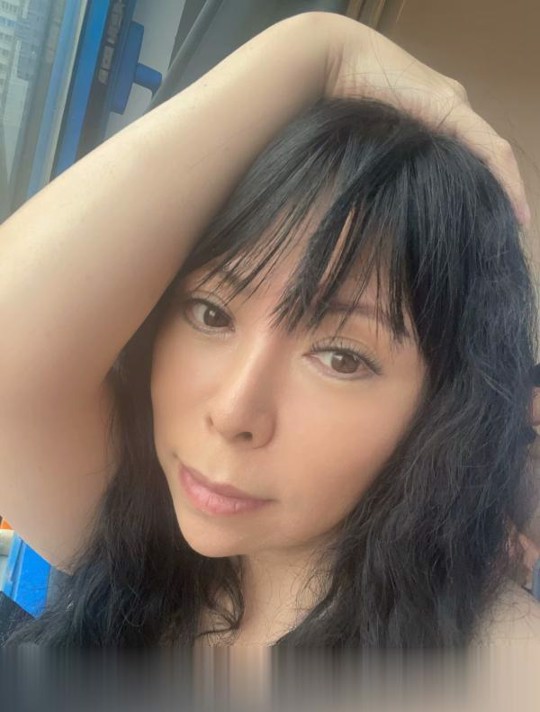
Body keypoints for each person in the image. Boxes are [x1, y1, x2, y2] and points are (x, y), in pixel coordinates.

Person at [0, 11, 537, 648]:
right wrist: (319, 47)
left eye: (341, 357)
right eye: (212, 313)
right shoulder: (138, 533)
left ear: (443, 408)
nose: (234, 413)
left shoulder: (488, 659)